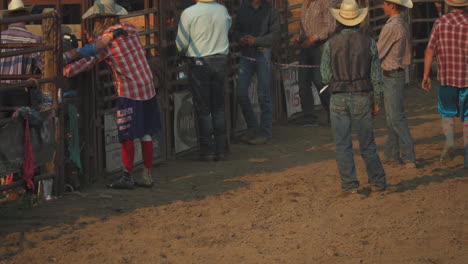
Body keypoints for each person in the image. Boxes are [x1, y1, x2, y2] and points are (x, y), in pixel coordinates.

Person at [63, 0, 162, 189]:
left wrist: (65, 70)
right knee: (146, 133)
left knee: (127, 134)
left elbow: (88, 62)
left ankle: (127, 176)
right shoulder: (130, 28)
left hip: (129, 89)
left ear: (99, 20)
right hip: (147, 85)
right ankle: (147, 174)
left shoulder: (106, 43)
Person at [321, 0, 387, 195]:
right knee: (367, 143)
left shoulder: (330, 44)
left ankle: (349, 185)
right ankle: (378, 182)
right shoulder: (369, 42)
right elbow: (376, 77)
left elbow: (325, 76)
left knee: (342, 145)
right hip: (362, 95)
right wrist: (377, 101)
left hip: (338, 97)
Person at [176, 0, 231, 161]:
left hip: (200, 62)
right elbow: (227, 29)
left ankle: (208, 150)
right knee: (219, 107)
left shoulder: (189, 13)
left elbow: (181, 44)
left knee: (204, 108)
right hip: (220, 60)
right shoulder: (223, 10)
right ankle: (221, 148)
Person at [422, 0, 467, 168]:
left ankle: (450, 141)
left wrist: (426, 74)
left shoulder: (440, 22)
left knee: (447, 112)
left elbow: (429, 50)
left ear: (449, 5)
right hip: (466, 77)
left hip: (447, 76)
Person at [234, 0, 280, 144]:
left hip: (262, 52)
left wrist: (257, 40)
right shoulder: (243, 8)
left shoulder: (271, 10)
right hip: (248, 52)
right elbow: (235, 30)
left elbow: (275, 35)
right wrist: (241, 38)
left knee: (263, 94)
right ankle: (253, 127)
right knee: (241, 92)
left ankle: (264, 132)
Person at [377, 0, 416, 169]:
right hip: (397, 73)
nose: (382, 6)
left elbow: (378, 52)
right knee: (393, 117)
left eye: (385, 3)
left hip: (391, 74)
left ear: (392, 5)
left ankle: (408, 156)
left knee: (396, 118)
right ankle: (392, 153)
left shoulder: (391, 27)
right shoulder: (403, 24)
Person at [296, 0, 335, 126]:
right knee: (303, 82)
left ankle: (332, 113)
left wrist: (313, 38)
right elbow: (304, 25)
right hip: (306, 46)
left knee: (320, 81)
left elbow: (330, 27)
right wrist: (299, 38)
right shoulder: (305, 4)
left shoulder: (325, 2)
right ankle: (309, 116)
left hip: (319, 46)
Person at [0, 0, 42, 109]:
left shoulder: (1, 37)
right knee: (21, 121)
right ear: (26, 16)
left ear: (9, 17)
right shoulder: (33, 39)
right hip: (20, 90)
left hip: (0, 89)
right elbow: (42, 66)